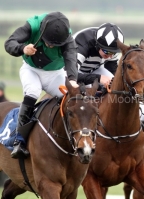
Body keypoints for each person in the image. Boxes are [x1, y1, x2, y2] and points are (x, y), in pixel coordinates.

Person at [4, 11, 79, 158]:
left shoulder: (68, 39)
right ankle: (19, 140)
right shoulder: (33, 26)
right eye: (48, 42)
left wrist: (72, 80)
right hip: (30, 69)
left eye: (55, 44)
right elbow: (9, 43)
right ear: (43, 31)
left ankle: (72, 139)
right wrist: (22, 49)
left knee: (71, 99)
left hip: (55, 74)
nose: (51, 46)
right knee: (33, 92)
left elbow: (71, 60)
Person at [72, 23, 124, 87]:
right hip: (72, 70)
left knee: (114, 84)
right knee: (88, 87)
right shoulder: (82, 46)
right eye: (107, 52)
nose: (110, 56)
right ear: (97, 45)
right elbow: (71, 75)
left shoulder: (113, 50)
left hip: (95, 68)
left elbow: (111, 67)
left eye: (114, 53)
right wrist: (98, 78)